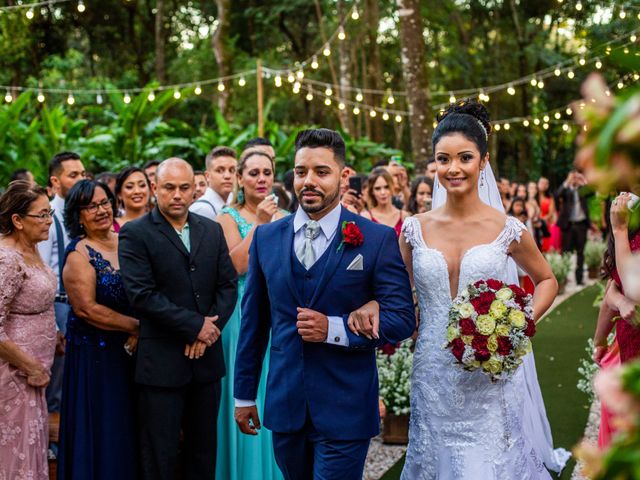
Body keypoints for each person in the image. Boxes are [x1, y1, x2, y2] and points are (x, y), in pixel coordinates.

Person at [234, 128, 415, 479]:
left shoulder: (375, 239)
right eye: (301, 172)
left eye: (321, 172)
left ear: (342, 176)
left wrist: (335, 328)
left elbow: (402, 318)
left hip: (345, 407)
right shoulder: (267, 238)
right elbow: (253, 323)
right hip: (286, 405)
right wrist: (244, 395)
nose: (309, 181)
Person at [399, 100, 559, 478]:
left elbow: (547, 281)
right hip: (432, 372)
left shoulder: (508, 228)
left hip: (489, 376)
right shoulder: (413, 229)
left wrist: (516, 325)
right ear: (434, 164)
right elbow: (400, 294)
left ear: (482, 162)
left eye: (464, 158)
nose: (453, 168)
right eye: (443, 159)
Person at [119, 158, 237, 480]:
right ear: (155, 188)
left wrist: (209, 331)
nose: (177, 195)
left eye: (184, 187)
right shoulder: (135, 233)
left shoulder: (210, 229)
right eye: (169, 187)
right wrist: (194, 326)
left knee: (203, 454)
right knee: (160, 455)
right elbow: (141, 295)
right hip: (162, 363)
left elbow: (226, 285)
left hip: (206, 364)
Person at [57, 180, 139, 479]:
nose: (101, 210)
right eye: (91, 206)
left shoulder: (128, 241)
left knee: (128, 425)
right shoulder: (78, 256)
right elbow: (86, 309)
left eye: (104, 202)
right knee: (104, 426)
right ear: (78, 215)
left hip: (132, 355)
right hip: (96, 357)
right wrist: (137, 327)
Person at [216, 149, 288, 480]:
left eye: (266, 172)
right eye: (254, 173)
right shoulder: (227, 217)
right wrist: (260, 222)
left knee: (277, 388)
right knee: (247, 389)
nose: (261, 179)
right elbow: (236, 266)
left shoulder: (287, 215)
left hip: (280, 316)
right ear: (240, 179)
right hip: (242, 315)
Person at [0, 181, 57, 480]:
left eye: (49, 213)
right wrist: (29, 365)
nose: (49, 221)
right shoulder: (7, 259)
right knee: (13, 454)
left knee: (31, 448)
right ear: (18, 221)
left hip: (35, 374)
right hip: (15, 374)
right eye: (42, 215)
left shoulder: (33, 250)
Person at [37, 152, 86, 418]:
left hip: (85, 308)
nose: (81, 179)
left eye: (83, 173)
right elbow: (43, 273)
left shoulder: (83, 215)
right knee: (58, 384)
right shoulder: (48, 218)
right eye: (73, 175)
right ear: (56, 182)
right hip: (60, 308)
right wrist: (54, 325)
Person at [592, 192, 640, 448]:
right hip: (628, 345)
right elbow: (612, 293)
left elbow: (632, 291)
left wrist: (619, 230)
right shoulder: (628, 231)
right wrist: (599, 341)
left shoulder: (624, 231)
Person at [556, 170, 592, 285]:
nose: (575, 179)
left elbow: (592, 192)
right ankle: (563, 278)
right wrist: (567, 181)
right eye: (574, 177)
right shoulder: (566, 190)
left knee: (580, 252)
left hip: (581, 225)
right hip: (568, 226)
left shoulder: (582, 190)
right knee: (565, 252)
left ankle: (579, 278)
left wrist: (583, 180)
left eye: (577, 177)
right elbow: (557, 195)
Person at [190, 146, 237, 221]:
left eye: (232, 170)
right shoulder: (201, 209)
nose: (227, 176)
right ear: (207, 176)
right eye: (220, 170)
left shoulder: (234, 202)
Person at [361, 167, 409, 237]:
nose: (383, 192)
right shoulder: (366, 217)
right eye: (377, 188)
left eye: (386, 187)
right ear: (372, 191)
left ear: (392, 187)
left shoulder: (404, 216)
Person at [538, 177, 560, 252]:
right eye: (542, 183)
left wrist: (542, 219)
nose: (544, 185)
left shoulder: (550, 198)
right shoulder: (534, 197)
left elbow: (551, 213)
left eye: (546, 183)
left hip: (547, 222)